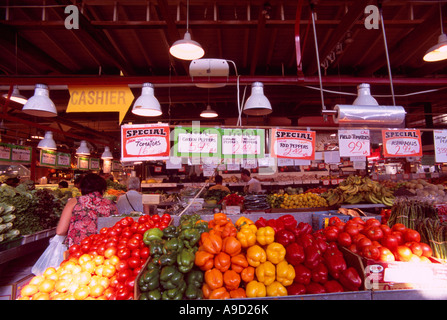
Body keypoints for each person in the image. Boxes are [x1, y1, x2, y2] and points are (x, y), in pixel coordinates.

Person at [56, 173, 118, 247]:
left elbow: (60, 231)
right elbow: (116, 230)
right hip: (103, 248)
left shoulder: (74, 202)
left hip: (78, 249)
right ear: (103, 188)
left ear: (82, 187)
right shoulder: (111, 204)